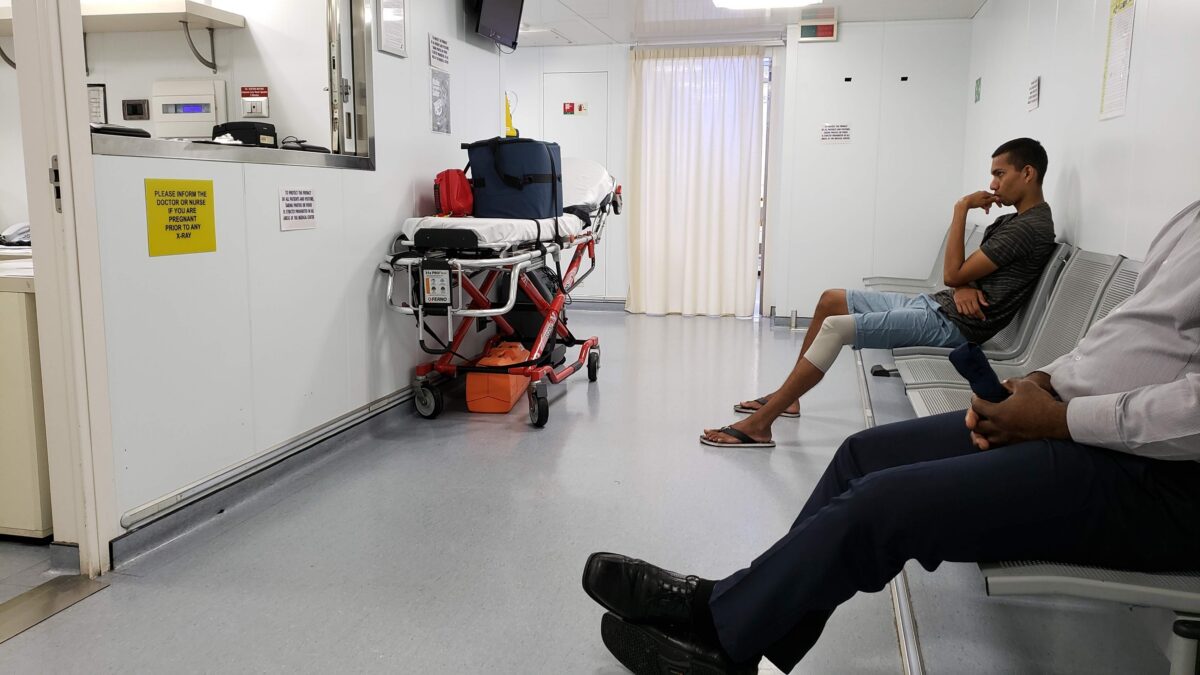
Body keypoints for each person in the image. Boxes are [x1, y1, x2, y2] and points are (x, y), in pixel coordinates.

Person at [584, 198, 1200, 674]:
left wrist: (1059, 419)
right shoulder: (1189, 215)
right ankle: (742, 626)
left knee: (882, 507)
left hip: (1154, 475)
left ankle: (719, 624)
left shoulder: (1031, 229)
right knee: (861, 455)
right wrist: (1040, 382)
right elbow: (1124, 339)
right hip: (1072, 413)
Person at [702, 138, 1056, 448]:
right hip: (940, 305)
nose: (993, 184)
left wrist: (961, 208)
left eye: (999, 173)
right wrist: (963, 284)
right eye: (992, 174)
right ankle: (789, 399)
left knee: (835, 327)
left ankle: (761, 425)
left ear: (1027, 173)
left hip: (956, 325)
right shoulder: (1011, 221)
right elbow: (967, 273)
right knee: (831, 299)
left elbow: (953, 271)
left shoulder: (1030, 227)